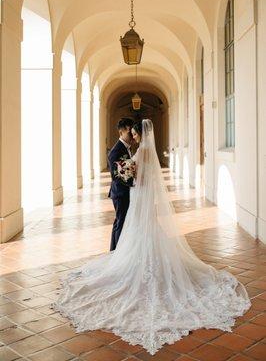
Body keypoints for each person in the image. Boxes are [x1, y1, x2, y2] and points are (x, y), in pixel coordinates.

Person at [51, 119, 251, 355]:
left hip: (139, 198)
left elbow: (136, 175)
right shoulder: (146, 150)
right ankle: (131, 258)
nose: (133, 137)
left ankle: (127, 260)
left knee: (135, 230)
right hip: (139, 198)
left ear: (139, 134)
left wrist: (131, 175)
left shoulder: (142, 151)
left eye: (134, 133)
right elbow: (137, 174)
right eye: (132, 133)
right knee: (140, 231)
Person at [108, 118, 134, 251]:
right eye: (129, 130)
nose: (131, 133)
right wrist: (131, 179)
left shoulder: (128, 148)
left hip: (125, 191)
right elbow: (115, 176)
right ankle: (117, 254)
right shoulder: (116, 151)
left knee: (119, 221)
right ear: (121, 131)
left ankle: (113, 251)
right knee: (121, 222)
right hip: (120, 192)